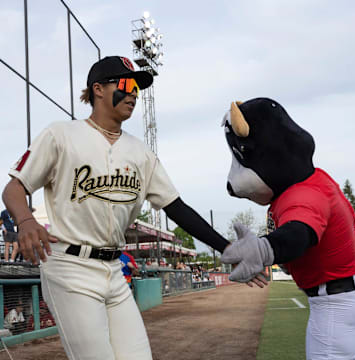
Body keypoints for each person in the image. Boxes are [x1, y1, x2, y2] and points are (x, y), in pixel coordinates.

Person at [2, 55, 231, 360]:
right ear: (98, 89)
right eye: (127, 84)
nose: (134, 93)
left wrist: (226, 247)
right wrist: (26, 220)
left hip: (114, 271)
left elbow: (177, 208)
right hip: (71, 267)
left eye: (138, 88)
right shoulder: (61, 135)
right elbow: (14, 187)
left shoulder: (141, 152)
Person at [220, 98, 355, 359]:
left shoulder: (302, 194)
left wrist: (265, 248)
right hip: (344, 290)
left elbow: (299, 233)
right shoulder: (311, 180)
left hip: (334, 301)